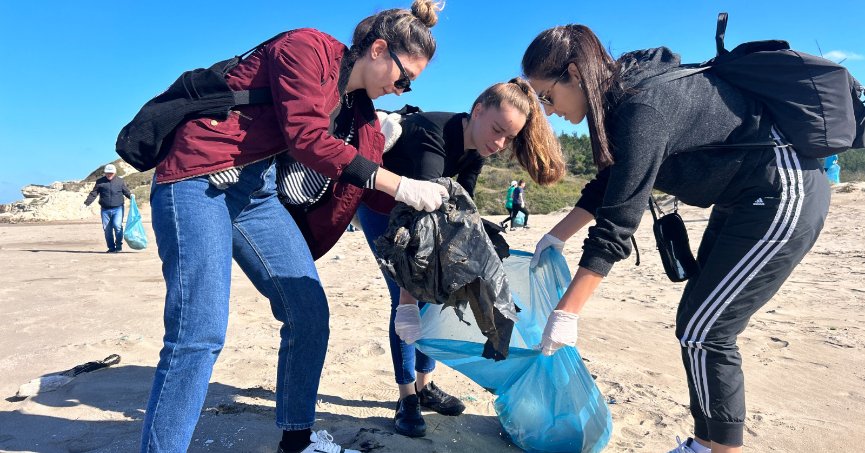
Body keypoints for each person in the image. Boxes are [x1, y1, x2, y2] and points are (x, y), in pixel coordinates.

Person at [140, 2, 448, 452]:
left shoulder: (362, 116)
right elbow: (306, 137)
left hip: (257, 193)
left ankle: (297, 440)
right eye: (404, 79)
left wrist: (432, 222)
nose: (402, 90)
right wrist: (400, 184)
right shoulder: (306, 47)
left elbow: (369, 188)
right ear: (379, 50)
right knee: (199, 332)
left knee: (309, 314)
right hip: (199, 174)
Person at [522, 25, 830, 453]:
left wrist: (567, 312)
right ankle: (705, 443)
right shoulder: (619, 96)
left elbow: (617, 223)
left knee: (709, 329)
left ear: (573, 73)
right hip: (741, 198)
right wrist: (554, 237)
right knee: (696, 322)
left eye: (546, 97)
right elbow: (610, 183)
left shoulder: (638, 108)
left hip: (783, 191)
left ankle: (719, 449)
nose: (547, 110)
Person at [359, 78, 565, 437]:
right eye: (497, 130)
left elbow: (462, 210)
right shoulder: (431, 135)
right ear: (478, 109)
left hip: (424, 210)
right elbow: (417, 235)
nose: (499, 143)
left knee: (442, 294)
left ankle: (425, 386)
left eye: (509, 138)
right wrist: (409, 301)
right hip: (385, 211)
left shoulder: (478, 149)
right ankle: (406, 395)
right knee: (409, 302)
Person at [83, 163, 131, 253]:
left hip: (118, 208)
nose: (109, 175)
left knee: (117, 226)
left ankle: (119, 246)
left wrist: (132, 197)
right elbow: (94, 193)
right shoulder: (100, 182)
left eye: (111, 173)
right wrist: (86, 203)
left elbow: (126, 192)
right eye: (107, 173)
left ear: (114, 173)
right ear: (105, 173)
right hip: (105, 210)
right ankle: (111, 248)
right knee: (107, 229)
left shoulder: (120, 181)